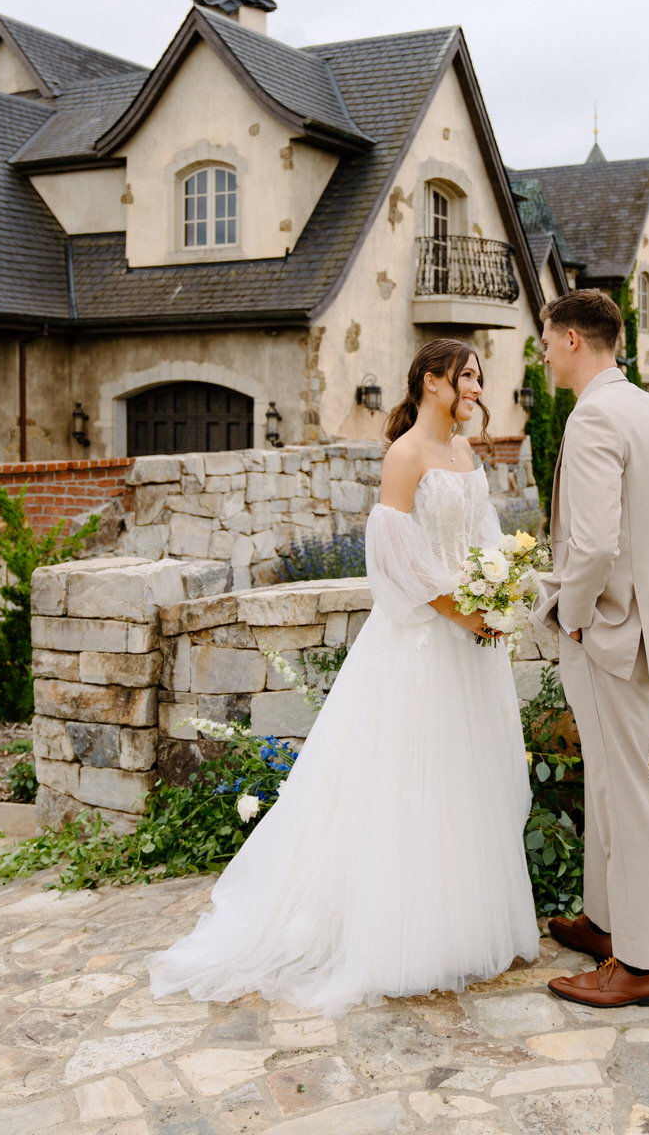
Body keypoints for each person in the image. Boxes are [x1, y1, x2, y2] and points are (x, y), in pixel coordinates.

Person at [148, 339, 539, 1016]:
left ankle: (458, 923)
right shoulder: (406, 454)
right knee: (409, 783)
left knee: (462, 779)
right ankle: (397, 937)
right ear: (431, 381)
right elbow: (395, 560)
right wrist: (463, 612)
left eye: (479, 377)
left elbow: (482, 535)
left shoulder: (467, 454)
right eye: (467, 376)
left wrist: (499, 592)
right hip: (421, 643)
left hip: (470, 640)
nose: (477, 387)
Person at [531, 289, 649, 1009]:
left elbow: (595, 543)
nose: (541, 353)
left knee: (625, 793)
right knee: (607, 783)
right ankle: (605, 924)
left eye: (545, 340)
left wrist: (574, 616)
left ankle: (638, 965)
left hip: (610, 635)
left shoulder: (595, 415)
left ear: (574, 338)